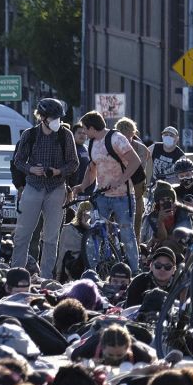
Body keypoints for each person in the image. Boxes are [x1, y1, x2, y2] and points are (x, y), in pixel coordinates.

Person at [10, 98, 78, 278]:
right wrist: (31, 169)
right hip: (33, 186)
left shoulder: (65, 135)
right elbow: (18, 161)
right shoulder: (29, 135)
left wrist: (58, 171)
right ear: (42, 118)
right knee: (22, 235)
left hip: (56, 188)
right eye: (54, 117)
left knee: (50, 238)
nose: (58, 121)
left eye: (59, 118)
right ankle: (16, 274)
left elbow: (74, 163)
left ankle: (46, 277)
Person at [74, 111, 141, 271]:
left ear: (92, 127)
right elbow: (92, 169)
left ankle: (135, 270)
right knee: (96, 232)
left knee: (127, 234)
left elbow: (135, 161)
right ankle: (96, 269)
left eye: (85, 129)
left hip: (122, 195)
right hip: (102, 195)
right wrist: (82, 186)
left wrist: (121, 180)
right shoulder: (91, 143)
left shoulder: (116, 138)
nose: (84, 133)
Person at [116, 117, 150, 238]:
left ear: (133, 134)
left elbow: (138, 166)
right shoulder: (113, 146)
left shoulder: (141, 148)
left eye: (128, 136)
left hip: (136, 191)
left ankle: (136, 246)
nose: (126, 140)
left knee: (136, 222)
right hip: (118, 192)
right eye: (122, 137)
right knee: (116, 222)